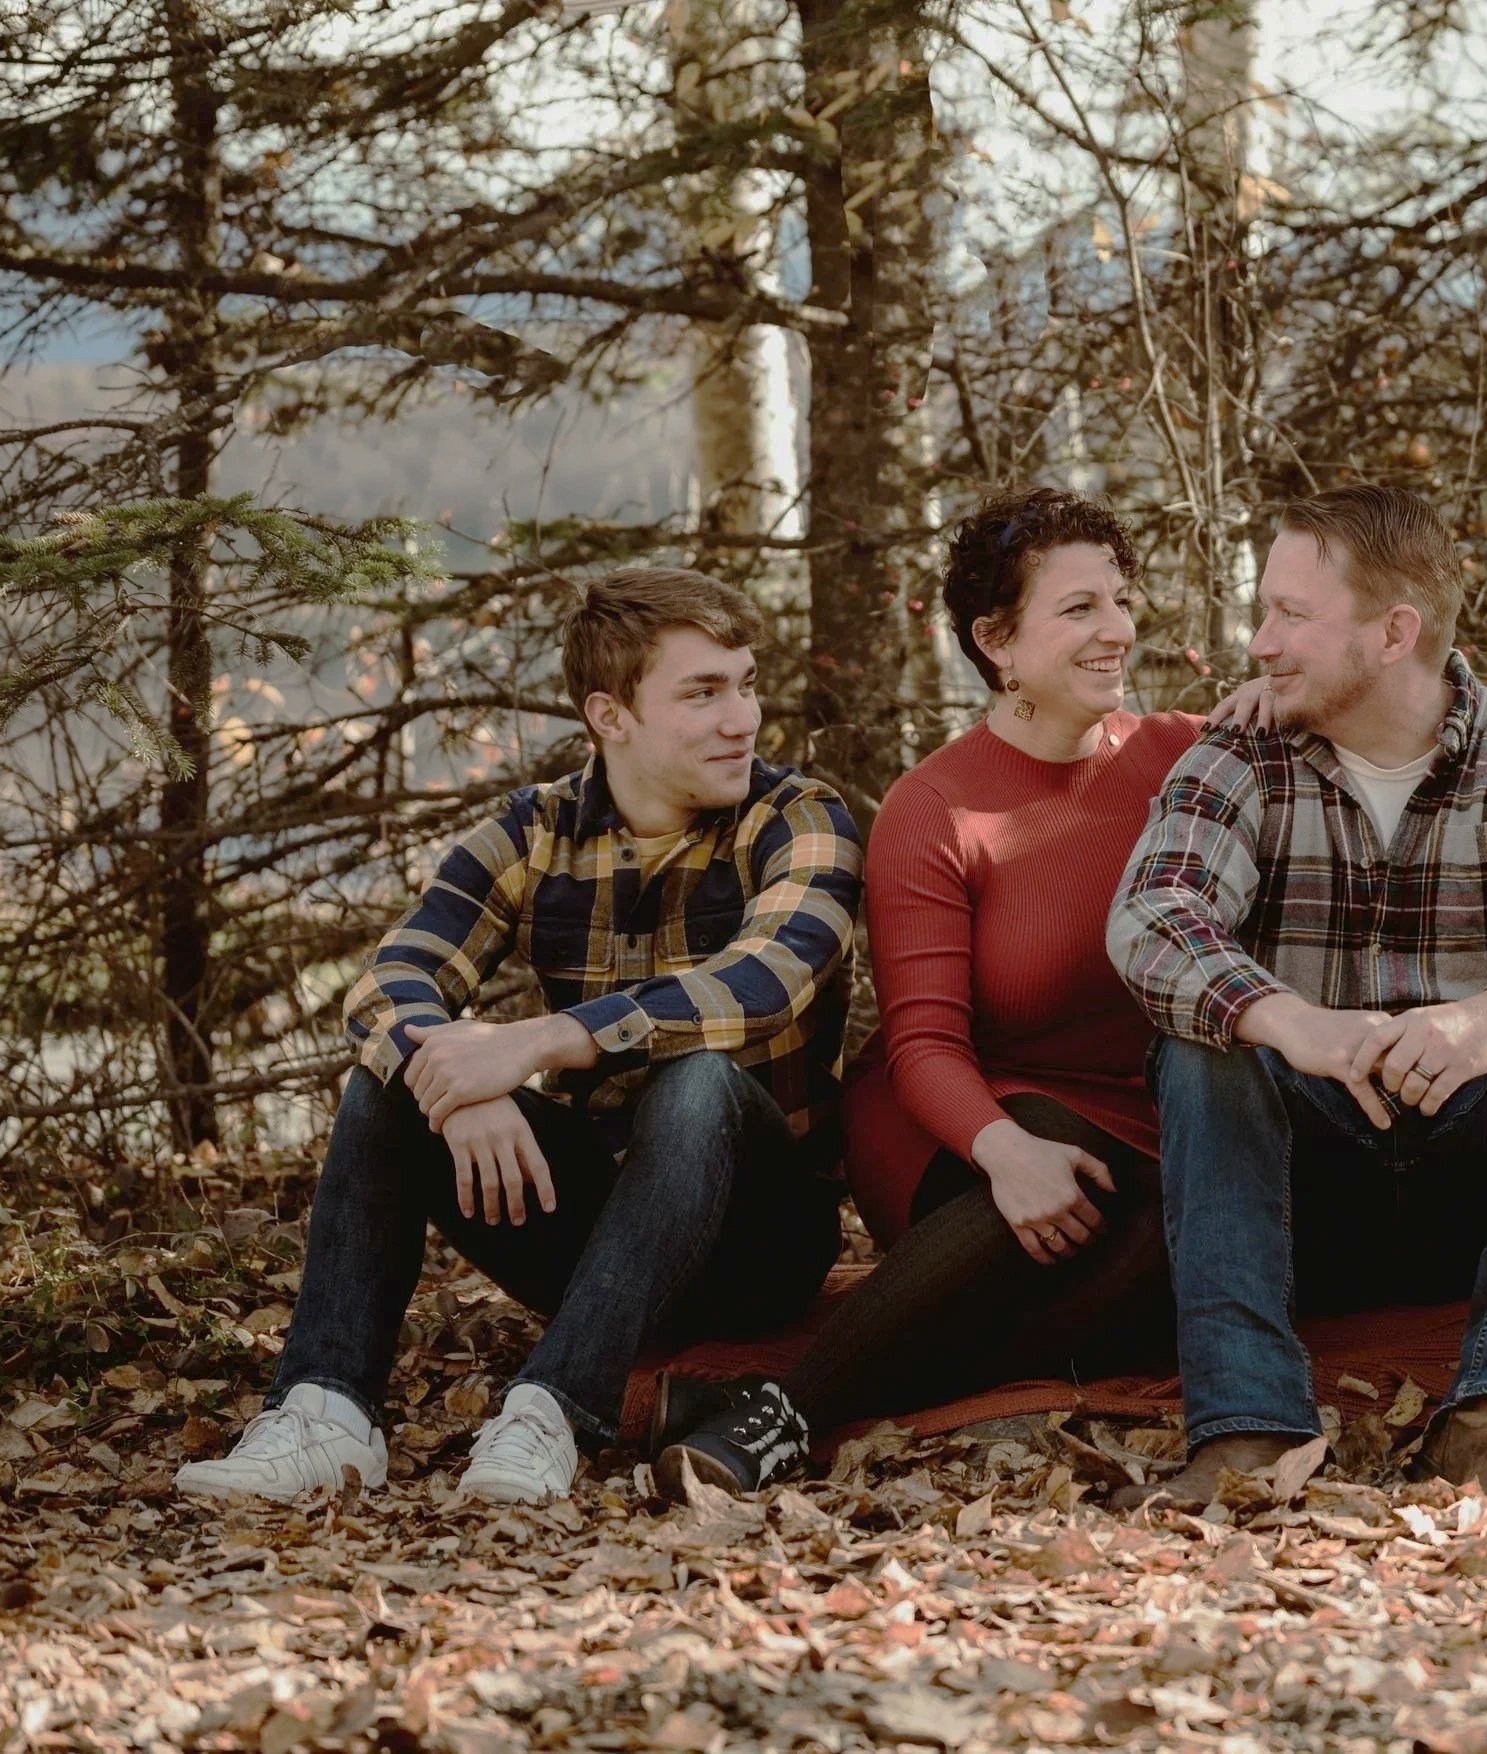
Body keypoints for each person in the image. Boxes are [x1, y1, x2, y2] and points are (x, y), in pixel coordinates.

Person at [176, 568, 860, 1506]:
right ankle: (328, 1410)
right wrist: (460, 1082)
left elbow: (767, 980)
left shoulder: (797, 817)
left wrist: (533, 1044)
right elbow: (391, 983)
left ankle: (552, 1414)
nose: (741, 717)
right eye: (703, 693)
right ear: (609, 716)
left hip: (761, 1239)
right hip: (594, 1235)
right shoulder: (533, 830)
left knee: (695, 1080)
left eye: (745, 683)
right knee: (390, 1079)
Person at [655, 489, 1274, 1495]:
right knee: (1048, 1172)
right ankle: (784, 1418)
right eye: (1078, 609)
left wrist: (1275, 706)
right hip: (961, 1123)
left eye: (1118, 599)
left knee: (1171, 1264)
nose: (1115, 628)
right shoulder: (934, 807)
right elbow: (926, 1042)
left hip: (1149, 1134)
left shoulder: (1187, 754)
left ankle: (761, 1395)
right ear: (997, 639)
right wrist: (1008, 1152)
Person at [1106, 483, 1487, 1509]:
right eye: (1264, 609)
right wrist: (1296, 1023)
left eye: (1290, 613)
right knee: (1202, 1038)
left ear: (1393, 632)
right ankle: (1246, 1431)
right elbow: (1153, 916)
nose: (1260, 639)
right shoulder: (1242, 753)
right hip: (1298, 1191)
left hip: (1475, 1194)